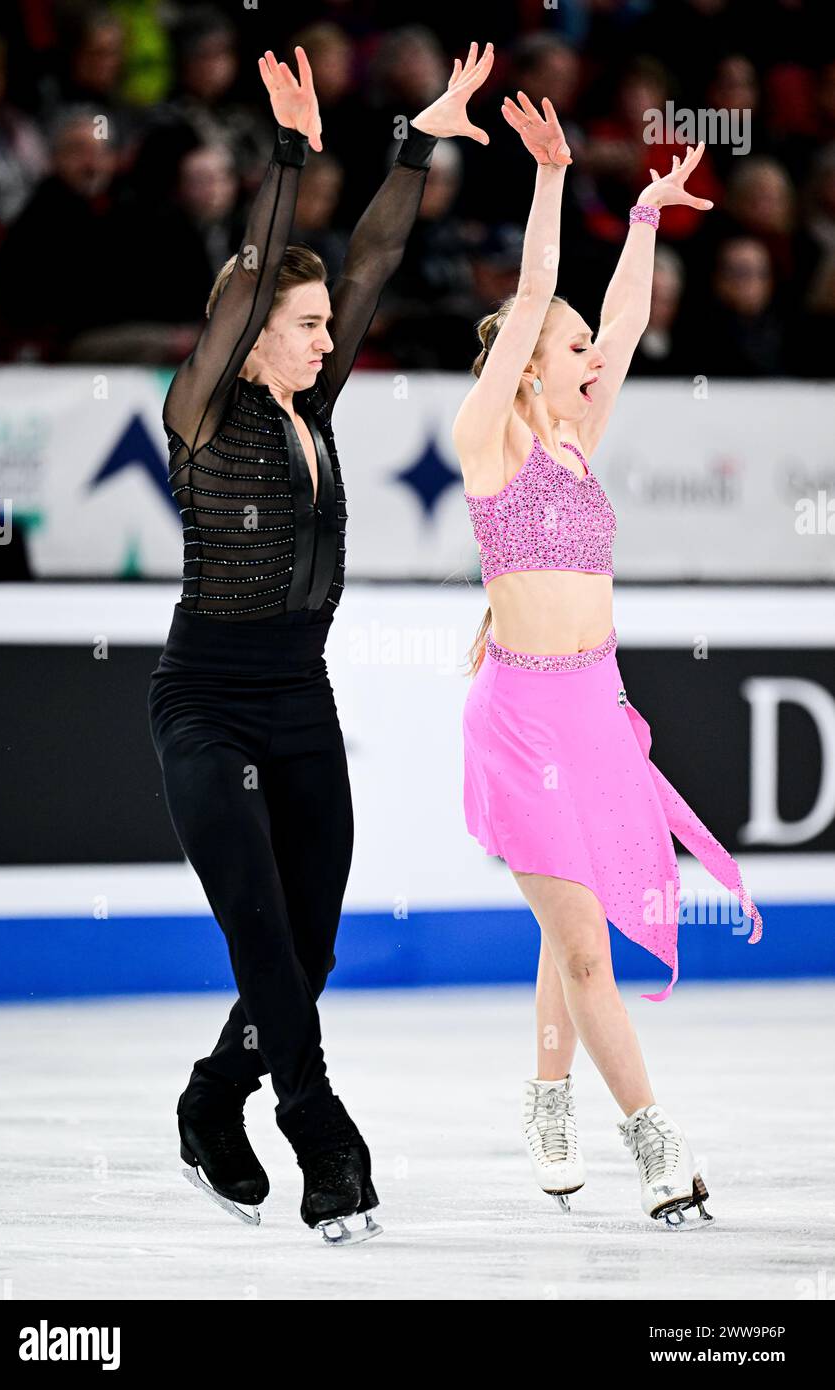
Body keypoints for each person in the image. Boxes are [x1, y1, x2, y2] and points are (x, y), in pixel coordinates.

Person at [147, 41, 494, 1243]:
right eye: (297, 324)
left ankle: (209, 1096)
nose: (317, 336)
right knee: (260, 928)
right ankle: (319, 1129)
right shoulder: (198, 413)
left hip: (301, 702)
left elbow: (381, 252)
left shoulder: (314, 406)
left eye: (317, 326)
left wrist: (418, 137)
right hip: (204, 702)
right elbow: (249, 281)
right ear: (247, 335)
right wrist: (288, 156)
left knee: (308, 948)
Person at [454, 94, 763, 1228]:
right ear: (530, 359)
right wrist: (548, 183)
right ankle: (655, 1147)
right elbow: (538, 294)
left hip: (596, 711)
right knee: (584, 947)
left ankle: (545, 1093)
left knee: (568, 919)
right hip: (523, 719)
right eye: (572, 345)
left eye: (590, 346)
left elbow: (624, 321)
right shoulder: (487, 439)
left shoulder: (580, 438)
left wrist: (639, 215)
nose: (595, 354)